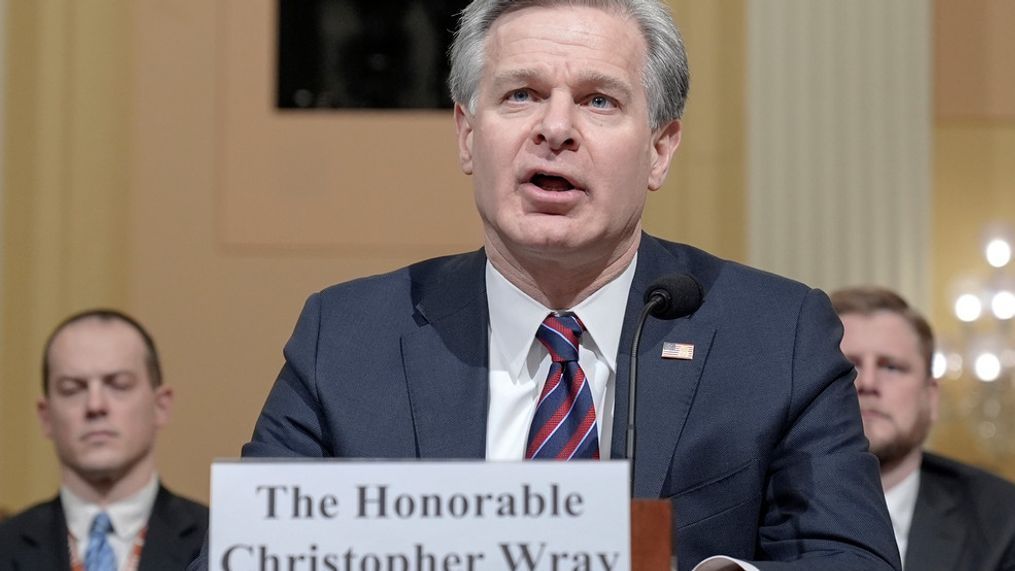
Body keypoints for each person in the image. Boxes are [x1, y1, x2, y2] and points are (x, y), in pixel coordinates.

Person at [236, 1, 900, 569]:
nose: (554, 129)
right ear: (468, 135)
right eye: (519, 94)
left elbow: (849, 557)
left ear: (660, 149)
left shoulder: (775, 335)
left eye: (598, 100)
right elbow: (243, 553)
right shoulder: (349, 336)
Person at [0, 309, 208, 570]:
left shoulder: (216, 542)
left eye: (119, 384)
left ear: (160, 406)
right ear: (46, 417)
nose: (95, 405)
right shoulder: (5, 546)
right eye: (72, 389)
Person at [832, 286, 1015, 570]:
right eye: (848, 367)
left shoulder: (1002, 518)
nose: (867, 383)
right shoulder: (757, 509)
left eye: (891, 367)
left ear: (930, 398)